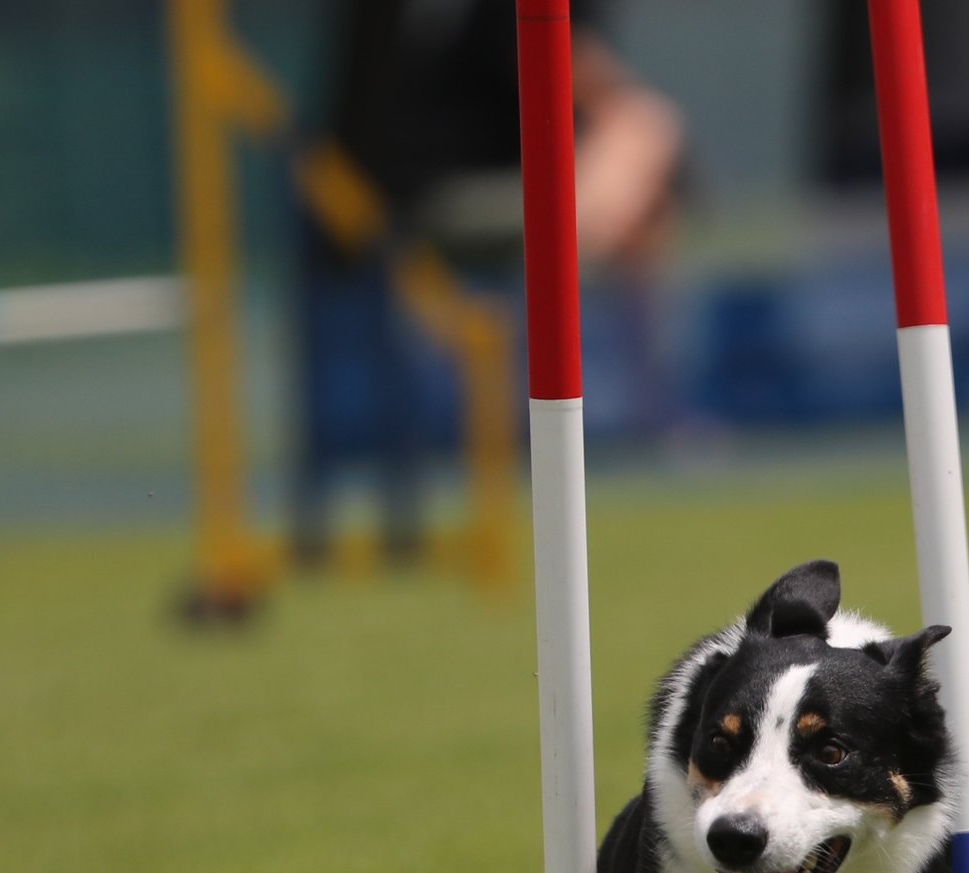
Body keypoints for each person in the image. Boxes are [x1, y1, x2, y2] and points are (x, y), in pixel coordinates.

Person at [293, 0, 684, 564]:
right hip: (444, 185)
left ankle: (646, 384)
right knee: (644, 131)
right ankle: (648, 389)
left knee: (643, 149)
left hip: (499, 168)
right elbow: (549, 64)